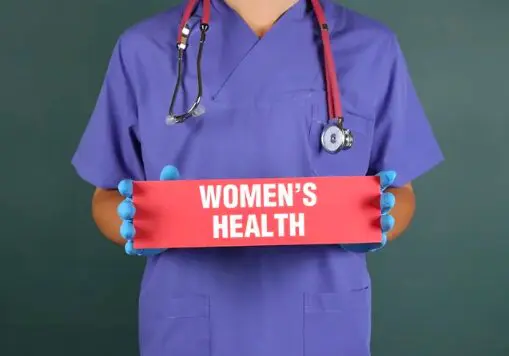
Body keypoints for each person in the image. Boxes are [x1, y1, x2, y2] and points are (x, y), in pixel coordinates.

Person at [72, 0, 443, 355]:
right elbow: (106, 193)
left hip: (324, 319)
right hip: (189, 318)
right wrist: (134, 223)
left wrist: (378, 222)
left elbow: (401, 190)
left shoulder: (371, 48)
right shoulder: (143, 49)